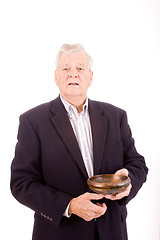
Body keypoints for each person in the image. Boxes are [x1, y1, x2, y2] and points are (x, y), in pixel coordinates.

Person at [11, 43, 148, 240]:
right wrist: (70, 205)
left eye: (80, 68)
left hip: (111, 232)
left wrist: (127, 181)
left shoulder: (115, 116)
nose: (73, 73)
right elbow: (21, 182)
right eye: (66, 68)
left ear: (90, 77)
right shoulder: (32, 121)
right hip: (59, 233)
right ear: (56, 76)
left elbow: (137, 164)